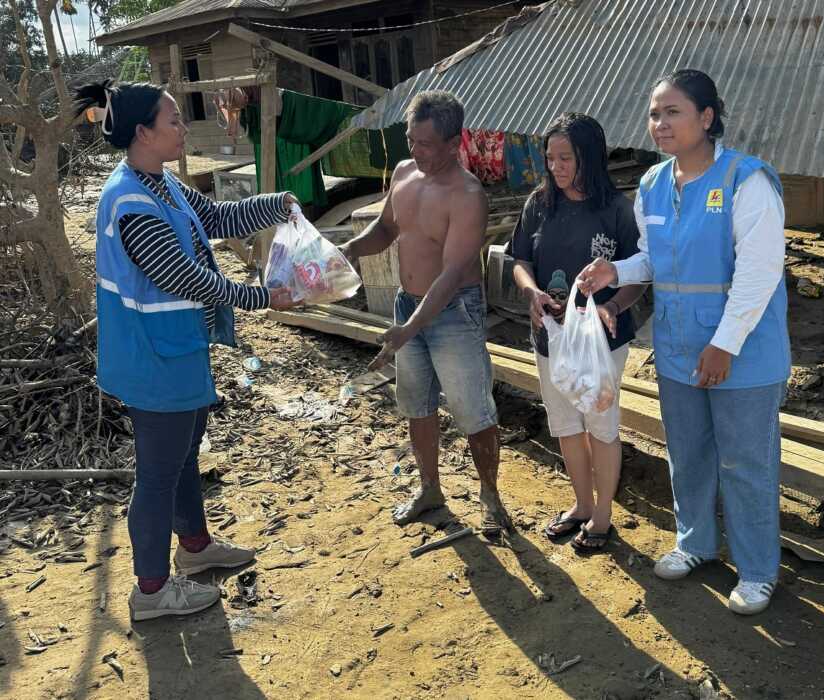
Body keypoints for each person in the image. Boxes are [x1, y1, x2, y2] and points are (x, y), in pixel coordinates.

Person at [74, 80, 298, 621]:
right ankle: (151, 591)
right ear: (143, 132)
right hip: (152, 357)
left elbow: (216, 218)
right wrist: (260, 297)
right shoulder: (130, 201)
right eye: (173, 120)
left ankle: (195, 548)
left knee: (183, 456)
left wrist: (277, 203)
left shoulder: (162, 184)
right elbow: (183, 277)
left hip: (178, 347)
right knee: (157, 474)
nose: (182, 128)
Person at [578, 69, 789, 613]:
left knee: (745, 462)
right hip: (677, 346)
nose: (660, 123)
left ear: (706, 117)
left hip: (742, 351)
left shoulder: (746, 181)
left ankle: (757, 570)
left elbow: (760, 273)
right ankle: (695, 543)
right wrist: (617, 271)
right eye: (654, 113)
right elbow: (654, 259)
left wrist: (725, 344)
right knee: (688, 454)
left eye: (673, 112)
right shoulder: (653, 183)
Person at [340, 90, 511, 535]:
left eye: (427, 144)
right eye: (411, 141)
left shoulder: (467, 195)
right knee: (417, 405)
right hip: (408, 303)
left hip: (454, 312)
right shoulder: (403, 173)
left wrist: (409, 329)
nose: (416, 151)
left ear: (454, 143)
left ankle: (490, 496)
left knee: (473, 410)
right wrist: (349, 250)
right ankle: (430, 489)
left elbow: (453, 273)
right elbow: (386, 229)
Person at [508, 113, 646, 553]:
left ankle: (603, 514)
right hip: (552, 335)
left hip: (603, 340)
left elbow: (640, 274)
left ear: (589, 157)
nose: (556, 167)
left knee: (601, 423)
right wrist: (531, 293)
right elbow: (520, 260)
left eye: (566, 157)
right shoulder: (539, 204)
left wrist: (613, 306)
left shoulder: (617, 209)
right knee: (566, 423)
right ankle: (582, 504)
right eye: (550, 158)